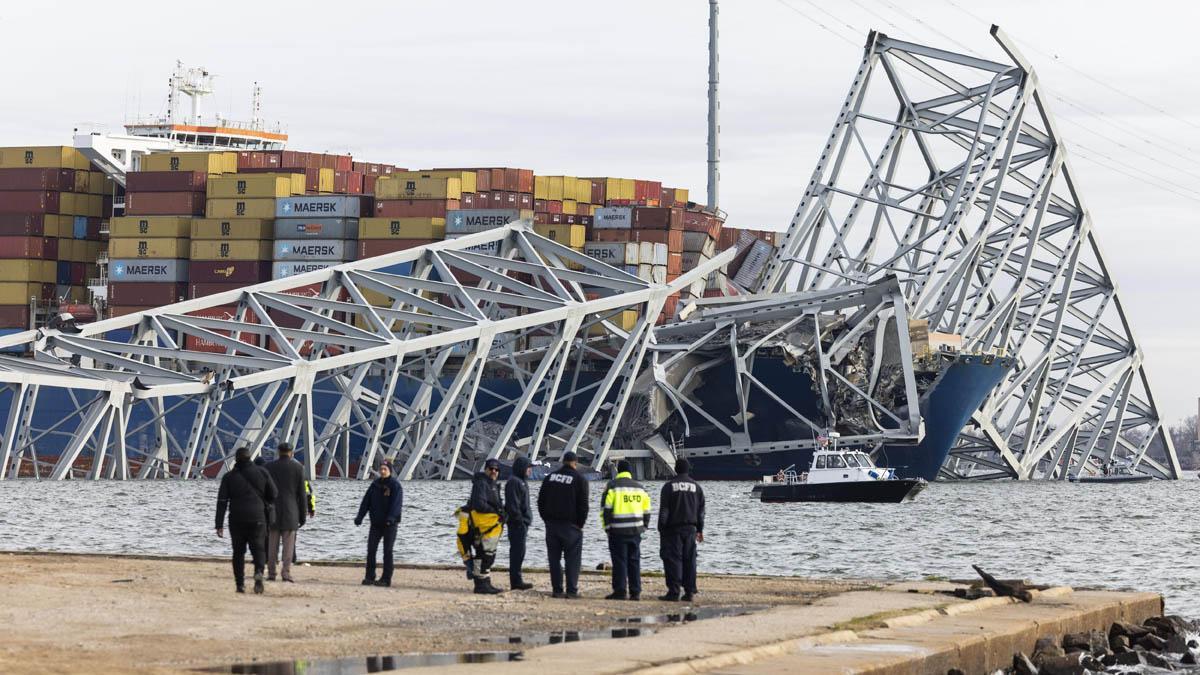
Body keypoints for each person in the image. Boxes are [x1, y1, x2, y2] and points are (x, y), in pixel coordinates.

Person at [215, 446, 278, 594]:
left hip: (236, 519)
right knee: (259, 548)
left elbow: (222, 501)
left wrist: (218, 524)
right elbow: (274, 493)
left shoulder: (228, 477)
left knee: (238, 552)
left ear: (236, 459)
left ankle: (240, 584)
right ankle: (259, 573)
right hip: (258, 517)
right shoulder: (263, 472)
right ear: (250, 458)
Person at [537, 450, 589, 599]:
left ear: (562, 462)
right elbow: (583, 505)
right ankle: (571, 591)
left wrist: (546, 519)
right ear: (575, 463)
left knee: (554, 559)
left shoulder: (550, 478)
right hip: (572, 526)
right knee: (572, 559)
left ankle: (557, 590)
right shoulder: (580, 479)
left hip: (552, 525)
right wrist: (580, 524)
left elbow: (540, 501)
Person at [600, 459, 652, 601]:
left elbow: (605, 510)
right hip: (635, 531)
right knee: (634, 561)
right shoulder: (640, 488)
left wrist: (607, 527)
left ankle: (620, 591)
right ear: (630, 471)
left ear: (618, 470)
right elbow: (647, 510)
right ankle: (635, 592)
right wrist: (644, 526)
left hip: (617, 531)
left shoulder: (612, 486)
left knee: (619, 561)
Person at [658, 458, 706, 602]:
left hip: (673, 529)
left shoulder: (668, 486)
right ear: (688, 469)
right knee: (689, 560)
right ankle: (689, 591)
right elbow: (701, 512)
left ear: (675, 469)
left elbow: (664, 510)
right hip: (691, 529)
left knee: (673, 560)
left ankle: (674, 591)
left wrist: (661, 527)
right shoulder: (697, 487)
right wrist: (700, 530)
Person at [457, 458, 505, 594]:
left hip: (489, 527)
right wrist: (496, 512)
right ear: (486, 469)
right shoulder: (481, 484)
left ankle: (485, 582)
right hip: (481, 527)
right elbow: (479, 504)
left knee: (488, 555)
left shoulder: (493, 484)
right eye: (491, 469)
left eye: (496, 469)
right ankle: (481, 584)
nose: (494, 471)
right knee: (483, 555)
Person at [354, 460, 403, 587]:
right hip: (375, 524)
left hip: (389, 525)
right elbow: (366, 502)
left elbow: (396, 505)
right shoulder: (374, 485)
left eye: (385, 469)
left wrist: (391, 518)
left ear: (389, 471)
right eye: (381, 469)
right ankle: (369, 577)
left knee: (387, 551)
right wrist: (360, 516)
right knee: (371, 550)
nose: (382, 471)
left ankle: (386, 579)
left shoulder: (395, 485)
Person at [265, 442, 307, 582]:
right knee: (288, 547)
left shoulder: (269, 467)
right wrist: (303, 515)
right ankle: (286, 573)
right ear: (291, 453)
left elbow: (265, 492)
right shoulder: (298, 468)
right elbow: (302, 494)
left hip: (273, 511)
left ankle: (271, 573)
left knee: (272, 546)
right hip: (291, 512)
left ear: (278, 452)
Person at [505, 456, 534, 591]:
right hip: (517, 525)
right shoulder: (514, 482)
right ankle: (516, 581)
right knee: (517, 552)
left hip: (522, 523)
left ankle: (517, 579)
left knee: (520, 552)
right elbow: (513, 505)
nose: (530, 471)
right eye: (528, 468)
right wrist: (520, 522)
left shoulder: (522, 482)